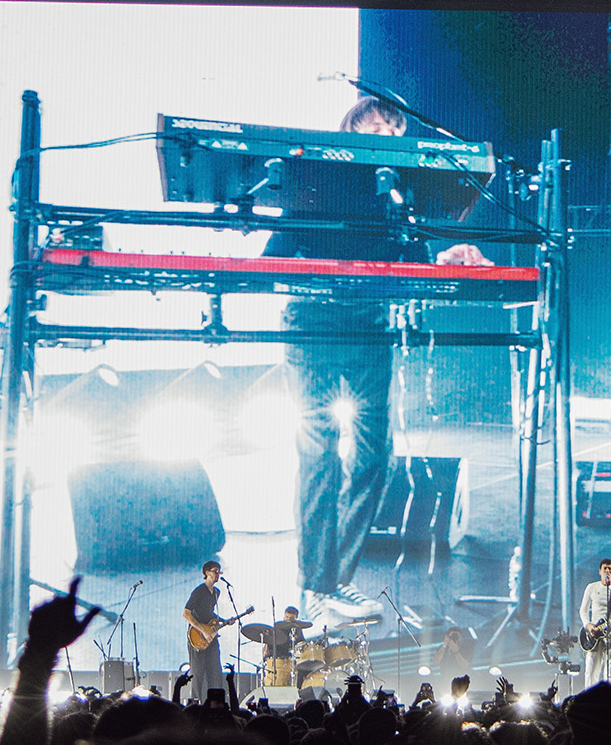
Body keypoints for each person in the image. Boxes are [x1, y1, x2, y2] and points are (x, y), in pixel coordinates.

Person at [265, 97, 489, 622]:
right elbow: (274, 253)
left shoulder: (398, 194)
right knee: (319, 451)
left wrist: (447, 258)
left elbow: (413, 262)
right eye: (376, 124)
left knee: (374, 454)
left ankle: (334, 581)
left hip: (369, 324)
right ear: (351, 130)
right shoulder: (316, 183)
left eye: (393, 127)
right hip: (314, 322)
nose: (386, 131)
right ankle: (318, 584)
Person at [579, 559, 611, 689]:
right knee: (591, 670)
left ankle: (609, 697)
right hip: (595, 634)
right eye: (605, 568)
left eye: (610, 569)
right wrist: (588, 625)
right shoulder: (592, 587)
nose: (607, 571)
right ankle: (590, 697)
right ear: (600, 571)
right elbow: (583, 610)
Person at [182, 561, 227, 701]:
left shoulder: (216, 593)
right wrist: (203, 631)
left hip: (210, 637)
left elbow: (209, 613)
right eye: (214, 571)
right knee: (197, 673)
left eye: (219, 572)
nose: (217, 574)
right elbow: (186, 613)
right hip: (197, 636)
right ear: (206, 572)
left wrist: (223, 621)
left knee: (215, 671)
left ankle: (215, 703)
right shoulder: (199, 591)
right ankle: (195, 703)